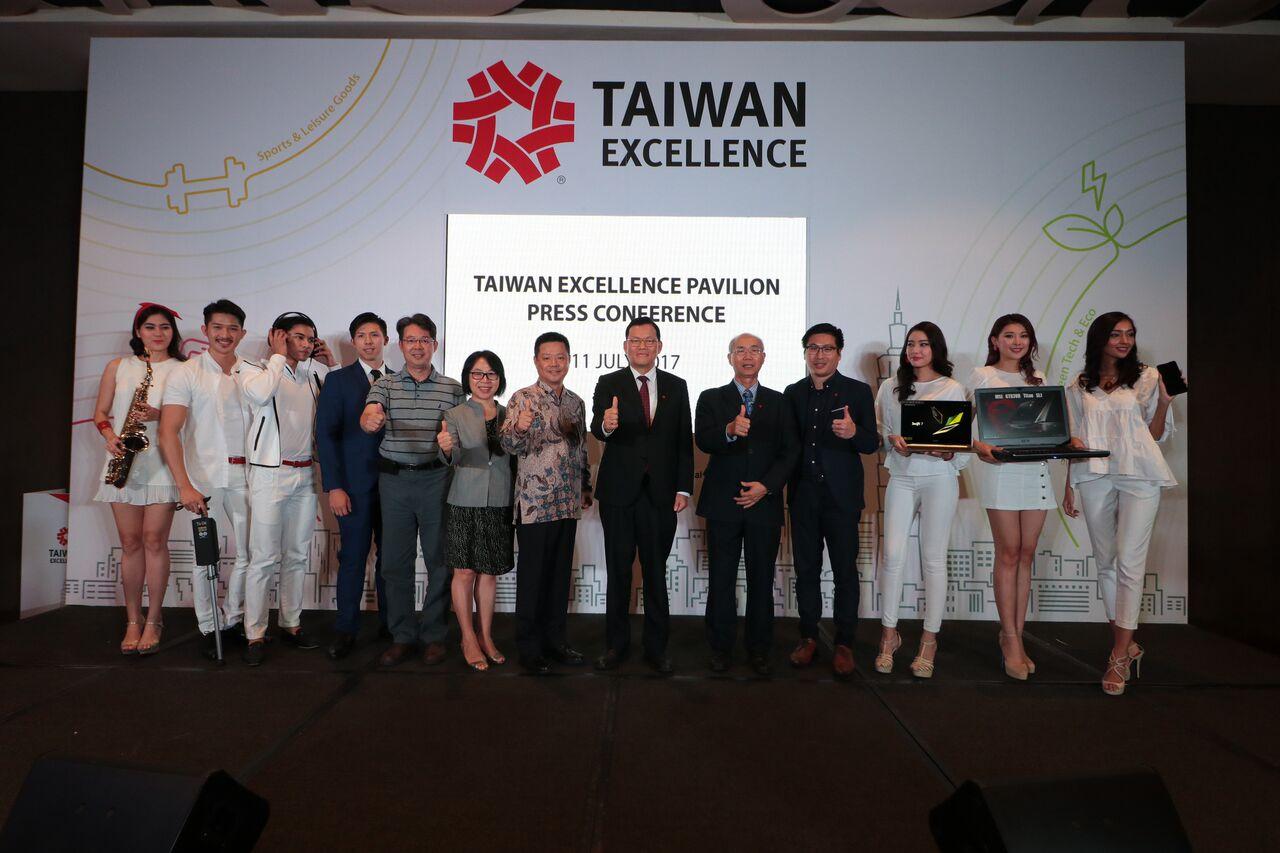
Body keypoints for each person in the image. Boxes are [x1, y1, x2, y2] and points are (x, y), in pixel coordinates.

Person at [1062, 312, 1176, 696]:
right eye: (1115, 334)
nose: (1124, 341)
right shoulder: (1078, 385)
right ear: (1100, 339)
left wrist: (1164, 403)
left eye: (1129, 334)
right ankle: (1128, 644)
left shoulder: (1148, 377)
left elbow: (1155, 435)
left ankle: (1118, 655)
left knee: (1129, 560)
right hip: (1092, 474)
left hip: (1139, 473)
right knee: (1106, 561)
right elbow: (1073, 439)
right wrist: (1068, 485)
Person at [589, 317, 693, 674]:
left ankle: (656, 648)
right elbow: (597, 429)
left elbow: (683, 441)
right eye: (636, 341)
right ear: (625, 346)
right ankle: (616, 646)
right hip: (619, 494)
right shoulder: (609, 382)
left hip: (661, 496)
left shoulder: (677, 386)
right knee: (619, 573)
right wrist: (607, 425)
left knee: (655, 574)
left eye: (650, 341)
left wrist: (683, 487)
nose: (643, 347)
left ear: (660, 347)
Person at [361, 314, 465, 668]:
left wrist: (451, 445)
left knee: (439, 561)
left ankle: (434, 635)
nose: (418, 346)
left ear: (434, 345)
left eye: (424, 340)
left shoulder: (452, 388)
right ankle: (402, 635)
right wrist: (370, 419)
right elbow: (370, 414)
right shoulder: (385, 385)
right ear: (400, 345)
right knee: (395, 564)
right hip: (394, 483)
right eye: (411, 340)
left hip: (437, 481)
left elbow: (460, 440)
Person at [695, 334, 799, 675]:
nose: (747, 356)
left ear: (764, 358)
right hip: (723, 503)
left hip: (764, 504)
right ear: (730, 358)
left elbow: (790, 451)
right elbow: (704, 439)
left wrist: (766, 486)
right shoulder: (711, 398)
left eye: (754, 350)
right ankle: (720, 648)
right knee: (721, 579)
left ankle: (758, 648)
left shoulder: (779, 401)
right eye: (740, 350)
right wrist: (728, 428)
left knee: (761, 579)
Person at [157, 299, 252, 660]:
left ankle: (236, 618)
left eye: (232, 328)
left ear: (241, 333)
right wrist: (184, 484)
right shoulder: (186, 373)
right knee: (205, 557)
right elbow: (169, 432)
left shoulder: (252, 370)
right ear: (205, 330)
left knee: (249, 552)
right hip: (204, 478)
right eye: (218, 327)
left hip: (247, 476)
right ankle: (209, 625)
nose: (225, 335)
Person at [874, 321, 969, 678]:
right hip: (902, 476)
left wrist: (946, 454)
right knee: (894, 556)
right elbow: (880, 430)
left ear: (936, 349)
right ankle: (889, 635)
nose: (916, 350)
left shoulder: (953, 387)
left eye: (924, 344)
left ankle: (929, 640)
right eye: (911, 344)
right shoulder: (890, 387)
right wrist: (892, 439)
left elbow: (962, 443)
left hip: (940, 480)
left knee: (933, 560)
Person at [782, 323, 878, 677]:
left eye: (826, 348)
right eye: (812, 348)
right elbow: (787, 448)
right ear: (805, 352)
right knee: (805, 571)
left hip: (842, 498)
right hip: (804, 496)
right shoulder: (792, 393)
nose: (819, 355)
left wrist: (855, 433)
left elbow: (870, 443)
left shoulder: (858, 392)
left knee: (844, 573)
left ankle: (844, 643)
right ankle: (808, 638)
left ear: (839, 353)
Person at [238, 311, 333, 665]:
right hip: (268, 474)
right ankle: (255, 633)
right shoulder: (254, 368)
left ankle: (291, 623)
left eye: (310, 338)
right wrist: (278, 357)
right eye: (298, 337)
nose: (306, 344)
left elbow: (340, 396)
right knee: (263, 557)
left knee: (296, 554)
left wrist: (331, 362)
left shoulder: (314, 375)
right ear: (278, 336)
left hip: (305, 474)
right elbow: (260, 396)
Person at [93, 303, 187, 655]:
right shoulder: (118, 367)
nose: (158, 333)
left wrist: (159, 413)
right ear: (138, 332)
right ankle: (133, 618)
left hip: (162, 462)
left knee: (153, 540)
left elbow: (192, 419)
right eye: (150, 327)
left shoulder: (184, 369)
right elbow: (100, 413)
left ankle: (155, 619)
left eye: (165, 327)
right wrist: (108, 435)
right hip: (123, 460)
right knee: (130, 543)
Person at [500, 332, 592, 675]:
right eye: (547, 357)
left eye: (560, 357)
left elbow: (581, 449)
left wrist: (584, 487)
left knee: (557, 579)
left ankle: (556, 642)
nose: (554, 364)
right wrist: (520, 428)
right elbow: (508, 444)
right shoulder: (522, 398)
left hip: (567, 503)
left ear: (569, 360)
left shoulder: (576, 402)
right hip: (535, 504)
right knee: (533, 579)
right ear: (536, 361)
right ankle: (528, 647)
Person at [969, 314, 1054, 680]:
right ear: (995, 341)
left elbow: (1050, 426)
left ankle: (1017, 636)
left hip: (1035, 471)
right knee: (1007, 551)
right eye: (1009, 335)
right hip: (1000, 471)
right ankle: (1009, 638)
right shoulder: (981, 377)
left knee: (1026, 553)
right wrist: (978, 445)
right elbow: (958, 426)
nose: (1016, 342)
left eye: (1023, 336)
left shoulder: (1039, 381)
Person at [316, 312, 393, 660]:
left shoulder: (399, 381)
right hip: (353, 489)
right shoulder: (338, 381)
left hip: (395, 489)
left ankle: (392, 627)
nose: (368, 341)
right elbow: (326, 437)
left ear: (386, 341)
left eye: (374, 334)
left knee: (390, 562)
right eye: (361, 335)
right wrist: (334, 486)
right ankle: (346, 629)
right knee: (353, 559)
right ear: (353, 342)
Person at [439, 350, 515, 671]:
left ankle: (486, 635)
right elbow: (453, 456)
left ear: (499, 379)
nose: (484, 381)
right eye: (477, 374)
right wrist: (446, 448)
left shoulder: (510, 413)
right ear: (468, 377)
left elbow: (516, 452)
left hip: (498, 500)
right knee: (465, 571)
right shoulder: (455, 414)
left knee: (488, 572)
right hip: (464, 500)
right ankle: (467, 637)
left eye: (491, 375)